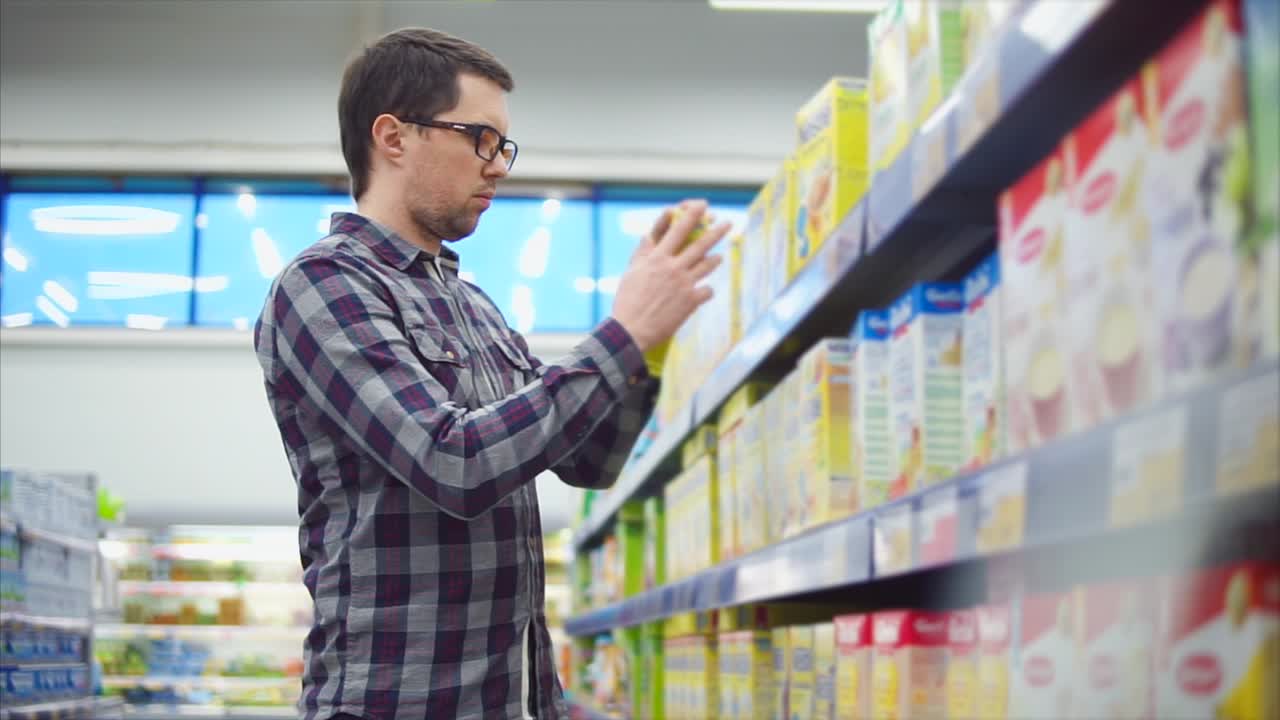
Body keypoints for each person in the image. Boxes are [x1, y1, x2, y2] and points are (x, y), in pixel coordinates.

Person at [253, 26, 726, 720]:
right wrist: (622, 335)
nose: (498, 166)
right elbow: (454, 463)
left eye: (503, 145)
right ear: (393, 137)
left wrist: (647, 349)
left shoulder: (474, 307)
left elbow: (591, 459)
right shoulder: (324, 285)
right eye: (480, 137)